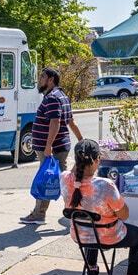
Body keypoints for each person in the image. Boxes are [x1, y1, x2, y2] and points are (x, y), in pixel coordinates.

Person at [61, 139, 138, 275]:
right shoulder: (106, 186)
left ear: (76, 160)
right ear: (97, 160)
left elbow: (73, 174)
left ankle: (92, 270)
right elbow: (124, 215)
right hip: (109, 236)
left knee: (91, 227)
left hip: (80, 236)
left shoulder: (65, 179)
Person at [20, 67, 83, 224]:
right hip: (60, 146)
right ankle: (76, 209)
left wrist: (48, 146)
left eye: (42, 77)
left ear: (51, 80)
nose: (39, 80)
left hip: (52, 148)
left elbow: (55, 123)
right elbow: (71, 122)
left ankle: (40, 214)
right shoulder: (62, 96)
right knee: (64, 180)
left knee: (46, 179)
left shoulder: (52, 98)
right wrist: (81, 140)